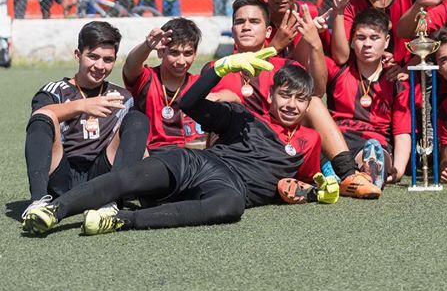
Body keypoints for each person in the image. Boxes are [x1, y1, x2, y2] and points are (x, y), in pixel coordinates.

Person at [21, 55, 328, 236]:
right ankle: (53, 211)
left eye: (300, 99)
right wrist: (218, 71)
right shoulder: (245, 117)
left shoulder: (310, 140)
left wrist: (318, 191)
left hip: (232, 189)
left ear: (309, 104)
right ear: (271, 95)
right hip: (198, 163)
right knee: (130, 178)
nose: (291, 105)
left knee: (231, 207)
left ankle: (120, 220)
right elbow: (189, 103)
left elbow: (305, 181)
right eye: (284, 96)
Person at [209, 0, 377, 197]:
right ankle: (308, 184)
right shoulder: (215, 69)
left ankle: (348, 174)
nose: (246, 27)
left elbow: (317, 91)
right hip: (239, 149)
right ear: (233, 30)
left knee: (313, 102)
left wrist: (315, 44)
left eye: (254, 21)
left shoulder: (284, 66)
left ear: (268, 31)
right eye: (239, 22)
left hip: (279, 144)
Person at [19, 22, 149, 223]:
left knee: (137, 119)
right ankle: (38, 202)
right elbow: (39, 117)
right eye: (93, 57)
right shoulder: (54, 91)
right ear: (78, 55)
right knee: (43, 117)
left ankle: (112, 202)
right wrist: (82, 106)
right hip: (61, 175)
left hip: (103, 177)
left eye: (108, 60)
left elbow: (136, 144)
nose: (100, 66)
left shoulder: (122, 96)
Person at [319, 8, 411, 192]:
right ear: (352, 41)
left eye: (374, 38)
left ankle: (367, 170)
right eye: (361, 38)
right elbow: (312, 59)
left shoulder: (397, 82)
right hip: (339, 137)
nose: (367, 44)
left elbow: (402, 132)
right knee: (327, 145)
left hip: (376, 139)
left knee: (375, 151)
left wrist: (399, 170)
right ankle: (346, 171)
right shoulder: (338, 70)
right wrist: (312, 34)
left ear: (386, 41)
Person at [123, 19, 205, 149]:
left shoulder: (199, 84)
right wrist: (147, 46)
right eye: (174, 53)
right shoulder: (147, 79)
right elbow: (130, 65)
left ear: (195, 55)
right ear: (161, 52)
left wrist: (218, 96)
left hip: (190, 154)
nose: (181, 61)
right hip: (152, 153)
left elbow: (230, 94)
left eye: (188, 53)